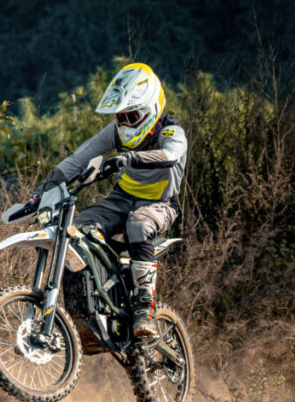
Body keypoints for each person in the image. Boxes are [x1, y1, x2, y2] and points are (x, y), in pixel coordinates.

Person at [32, 62, 187, 339]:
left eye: (131, 116)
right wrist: (42, 190)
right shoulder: (115, 131)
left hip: (159, 204)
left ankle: (144, 308)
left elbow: (171, 155)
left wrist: (130, 157)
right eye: (119, 117)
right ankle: (85, 310)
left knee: (138, 225)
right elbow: (78, 159)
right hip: (121, 198)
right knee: (76, 231)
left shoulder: (170, 131)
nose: (124, 123)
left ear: (150, 108)